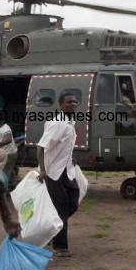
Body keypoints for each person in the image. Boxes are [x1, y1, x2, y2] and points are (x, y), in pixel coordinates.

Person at [37, 92, 80, 257]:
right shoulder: (57, 124)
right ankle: (60, 246)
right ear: (61, 105)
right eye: (69, 101)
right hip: (53, 173)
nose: (73, 104)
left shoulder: (69, 122)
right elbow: (40, 147)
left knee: (73, 201)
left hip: (66, 170)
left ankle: (51, 230)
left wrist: (70, 157)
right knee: (61, 208)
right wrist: (42, 170)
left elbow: (64, 145)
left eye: (74, 101)